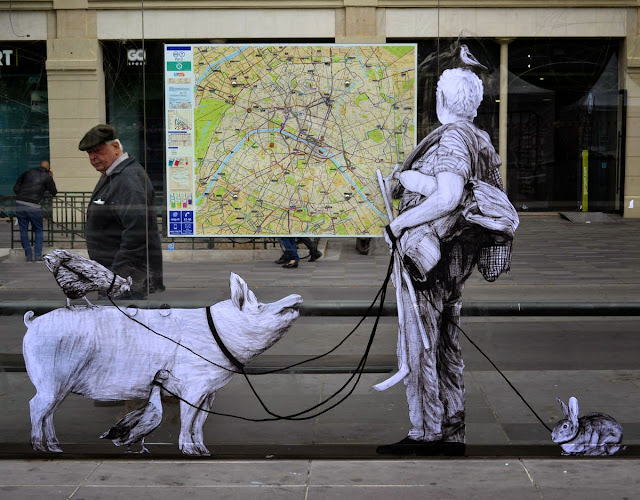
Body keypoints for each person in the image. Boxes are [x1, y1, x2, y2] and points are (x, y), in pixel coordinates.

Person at [377, 67, 516, 455]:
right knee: (446, 345)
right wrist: (412, 180)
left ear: (440, 100)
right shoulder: (480, 140)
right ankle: (452, 428)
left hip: (430, 261)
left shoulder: (453, 138)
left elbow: (450, 196)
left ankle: (426, 432)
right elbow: (451, 188)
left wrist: (399, 224)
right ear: (475, 104)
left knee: (419, 345)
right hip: (457, 261)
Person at [79, 124, 164, 299]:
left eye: (98, 151)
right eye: (89, 153)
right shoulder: (115, 174)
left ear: (116, 147)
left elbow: (137, 235)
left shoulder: (127, 179)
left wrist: (114, 278)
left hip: (123, 280)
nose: (93, 157)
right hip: (118, 278)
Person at [13, 160, 57, 262]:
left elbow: (16, 188)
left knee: (23, 230)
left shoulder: (27, 172)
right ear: (48, 169)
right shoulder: (47, 177)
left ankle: (28, 255)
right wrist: (51, 177)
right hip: (33, 206)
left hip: (20, 204)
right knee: (38, 230)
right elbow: (53, 192)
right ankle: (37, 255)